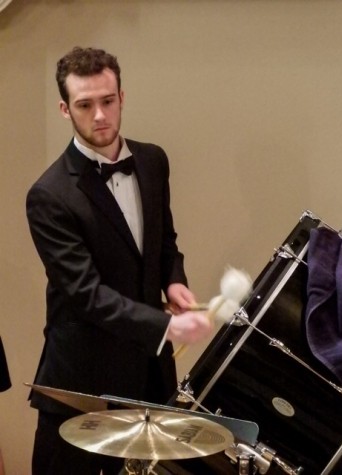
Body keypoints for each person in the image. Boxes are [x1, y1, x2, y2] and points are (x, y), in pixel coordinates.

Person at [26, 46, 212, 475]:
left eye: (107, 101)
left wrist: (173, 281)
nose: (99, 116)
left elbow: (165, 242)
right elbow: (85, 295)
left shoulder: (151, 161)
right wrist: (166, 325)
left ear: (122, 97)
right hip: (83, 381)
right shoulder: (50, 195)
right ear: (64, 109)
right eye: (84, 105)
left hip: (148, 372)